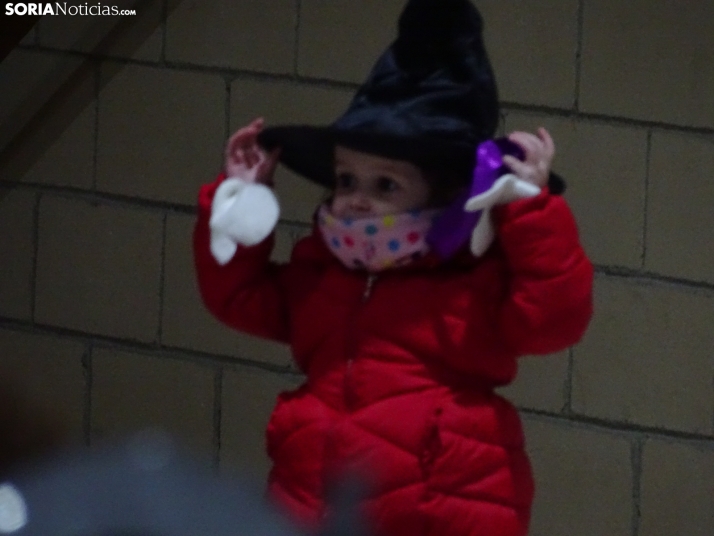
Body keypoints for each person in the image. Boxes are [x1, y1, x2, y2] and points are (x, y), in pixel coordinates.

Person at [193, 1, 593, 535]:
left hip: (447, 503)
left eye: (386, 185)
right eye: (346, 180)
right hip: (314, 501)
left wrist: (530, 210)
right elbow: (238, 298)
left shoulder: (470, 278)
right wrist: (241, 199)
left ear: (446, 194)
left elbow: (552, 321)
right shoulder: (323, 271)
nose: (357, 199)